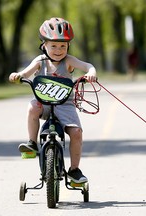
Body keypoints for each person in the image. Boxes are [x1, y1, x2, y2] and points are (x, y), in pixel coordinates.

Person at [9, 17, 97, 183]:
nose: (58, 50)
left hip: (65, 104)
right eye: (54, 45)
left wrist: (91, 73)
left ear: (68, 46)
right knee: (32, 108)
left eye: (63, 45)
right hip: (44, 103)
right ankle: (32, 143)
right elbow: (25, 73)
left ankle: (74, 170)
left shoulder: (69, 61)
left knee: (77, 133)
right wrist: (18, 76)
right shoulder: (39, 61)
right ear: (44, 45)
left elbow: (88, 66)